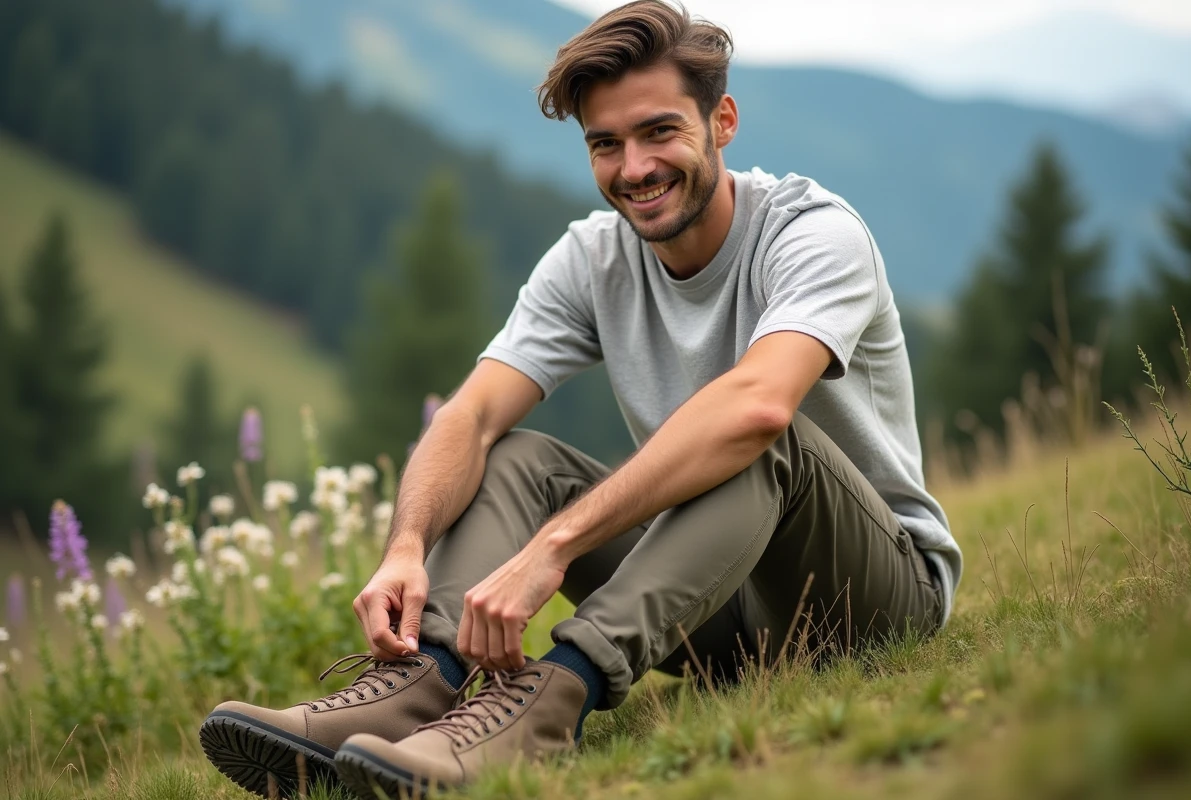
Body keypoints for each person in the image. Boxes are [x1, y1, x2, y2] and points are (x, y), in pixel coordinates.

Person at [199, 1, 963, 797]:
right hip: (711, 613)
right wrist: (405, 545)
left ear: (723, 120)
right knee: (516, 455)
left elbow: (760, 407)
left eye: (660, 131)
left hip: (870, 600)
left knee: (764, 435)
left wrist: (552, 549)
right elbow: (471, 414)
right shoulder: (592, 259)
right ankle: (417, 686)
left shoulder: (813, 233)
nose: (634, 168)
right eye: (606, 144)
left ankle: (547, 705)